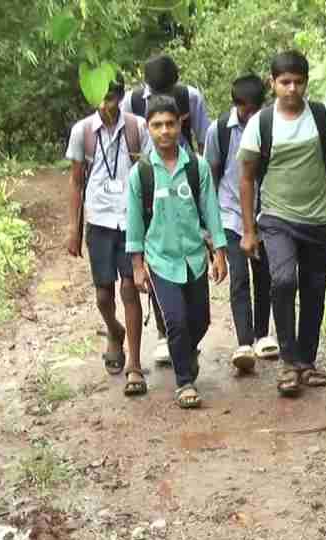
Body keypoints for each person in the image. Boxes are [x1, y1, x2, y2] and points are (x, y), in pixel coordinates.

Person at [239, 50, 326, 397]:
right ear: (272, 83)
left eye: (298, 82)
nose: (291, 89)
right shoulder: (262, 123)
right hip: (277, 218)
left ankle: (307, 361)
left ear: (306, 83)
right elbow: (245, 177)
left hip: (319, 220)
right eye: (284, 82)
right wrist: (248, 230)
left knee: (314, 289)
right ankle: (288, 361)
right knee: (284, 280)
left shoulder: (323, 115)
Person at [126, 95, 228, 409]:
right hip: (160, 259)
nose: (165, 131)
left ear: (180, 123)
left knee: (200, 321)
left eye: (170, 124)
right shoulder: (141, 173)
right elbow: (134, 223)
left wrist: (220, 252)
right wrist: (138, 266)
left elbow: (211, 210)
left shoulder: (196, 168)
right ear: (148, 128)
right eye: (157, 125)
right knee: (176, 321)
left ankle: (185, 353)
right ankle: (184, 382)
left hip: (194, 258)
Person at [121, 54, 212, 368]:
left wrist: (202, 183)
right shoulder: (131, 101)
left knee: (187, 268)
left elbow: (204, 137)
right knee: (159, 259)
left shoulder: (191, 97)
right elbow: (126, 144)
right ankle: (167, 334)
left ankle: (183, 342)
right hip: (149, 186)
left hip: (184, 182)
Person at [66, 75, 155, 395]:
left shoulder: (138, 128)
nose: (106, 105)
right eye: (100, 99)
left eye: (111, 98)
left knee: (129, 289)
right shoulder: (82, 132)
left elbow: (150, 171)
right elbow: (77, 182)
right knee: (104, 295)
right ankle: (113, 331)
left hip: (130, 220)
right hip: (100, 219)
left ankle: (134, 364)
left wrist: (151, 219)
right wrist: (74, 229)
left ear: (119, 97)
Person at [204, 73, 279, 373]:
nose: (250, 114)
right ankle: (244, 341)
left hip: (265, 213)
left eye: (254, 108)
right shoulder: (219, 130)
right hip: (230, 214)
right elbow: (211, 173)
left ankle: (262, 334)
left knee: (264, 276)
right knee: (238, 278)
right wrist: (209, 225)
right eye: (245, 108)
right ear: (236, 105)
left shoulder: (270, 127)